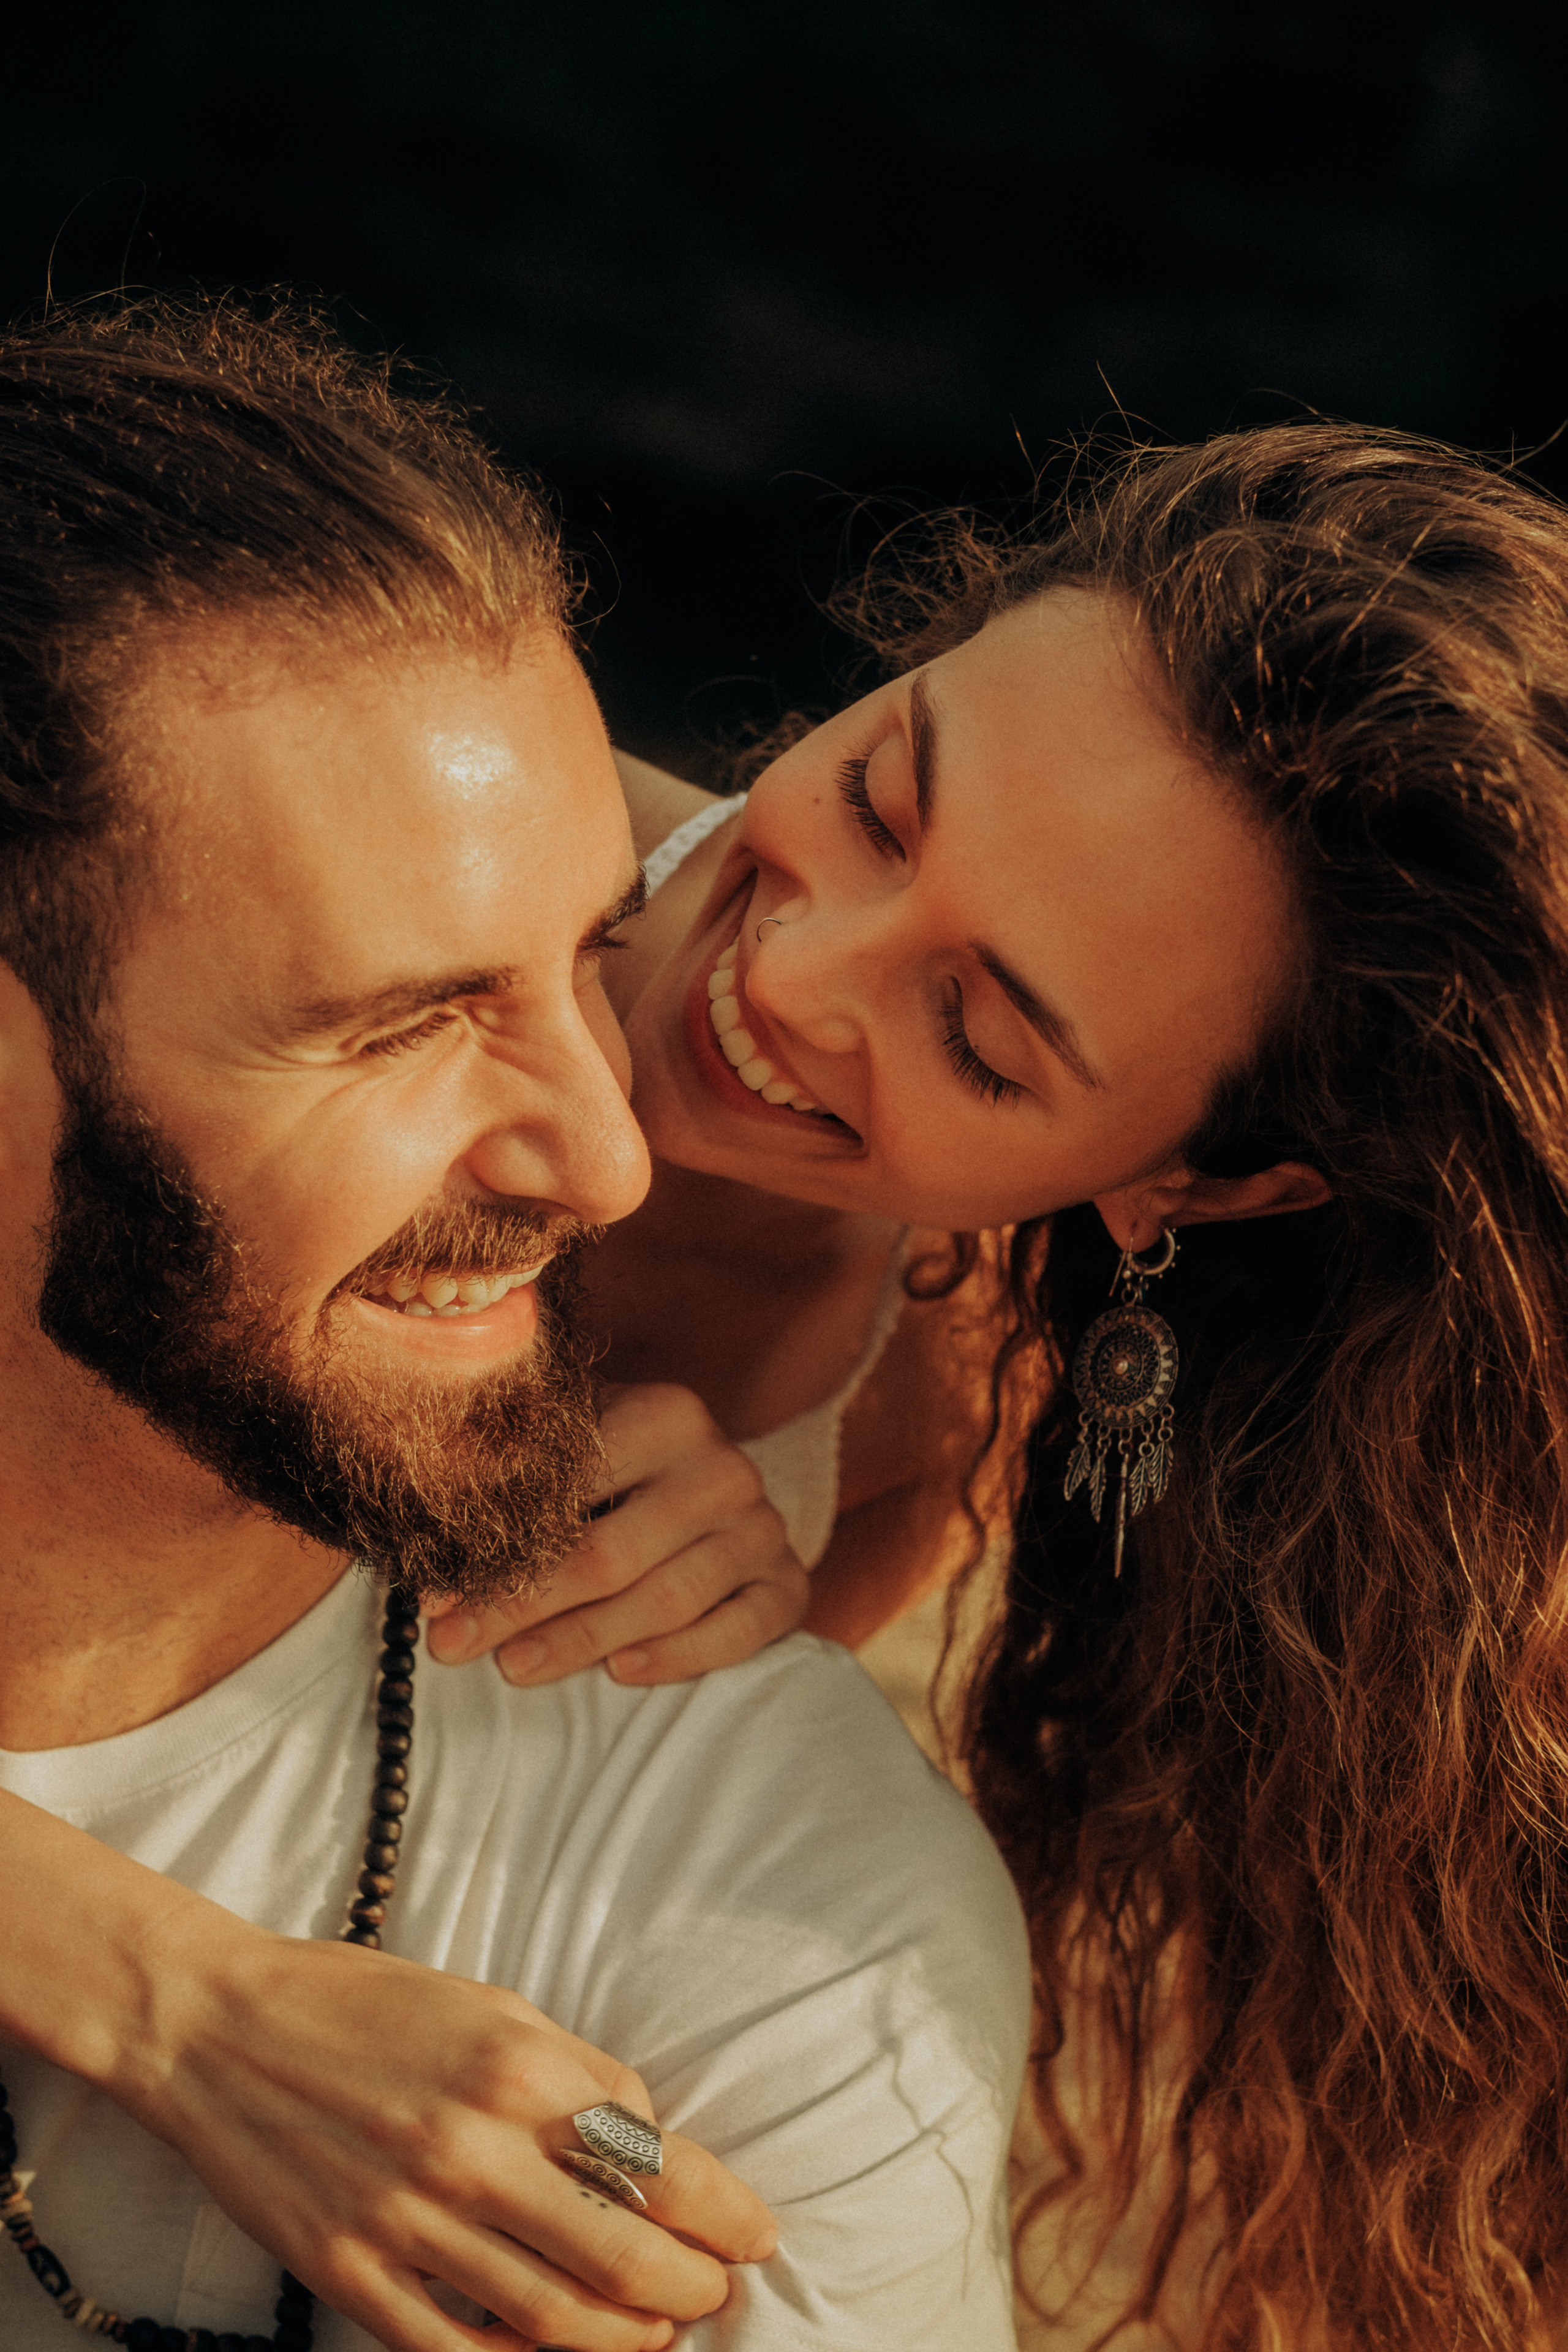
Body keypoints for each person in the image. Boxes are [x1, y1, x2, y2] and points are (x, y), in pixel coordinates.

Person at [8, 293, 1566, 2350]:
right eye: (886, 798)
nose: (793, 970)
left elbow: (603, 1819)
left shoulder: (924, 1381)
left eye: (981, 1035)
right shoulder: (319, 826)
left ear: (1185, 1189)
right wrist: (172, 1999)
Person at [0, 297, 1031, 2352]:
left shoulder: (780, 1926)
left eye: (586, 955)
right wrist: (169, 1998)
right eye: (406, 1019)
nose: (614, 1157)